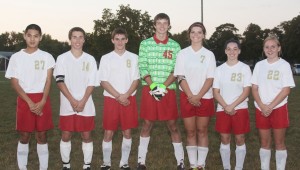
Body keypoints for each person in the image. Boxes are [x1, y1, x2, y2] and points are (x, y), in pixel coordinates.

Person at [137, 13, 185, 170]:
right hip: (149, 89)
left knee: (173, 125)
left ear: (169, 25)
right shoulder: (145, 44)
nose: (162, 26)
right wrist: (153, 86)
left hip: (168, 90)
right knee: (147, 124)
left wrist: (163, 87)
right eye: (159, 23)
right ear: (154, 25)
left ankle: (181, 162)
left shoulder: (175, 46)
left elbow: (176, 70)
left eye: (165, 23)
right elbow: (142, 66)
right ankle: (141, 161)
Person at [5, 24, 55, 170]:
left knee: (42, 136)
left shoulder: (47, 56)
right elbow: (14, 83)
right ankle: (23, 167)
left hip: (42, 99)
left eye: (36, 36)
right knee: (24, 136)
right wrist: (29, 102)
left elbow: (48, 80)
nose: (32, 39)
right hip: (24, 99)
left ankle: (43, 168)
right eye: (29, 35)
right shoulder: (16, 57)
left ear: (40, 37)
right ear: (24, 36)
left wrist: (43, 101)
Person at [54, 27, 98, 170]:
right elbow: (60, 81)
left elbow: (92, 83)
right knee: (66, 135)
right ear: (70, 39)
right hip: (67, 105)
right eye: (74, 37)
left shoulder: (90, 59)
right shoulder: (62, 58)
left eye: (80, 37)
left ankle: (87, 165)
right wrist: (73, 101)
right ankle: (66, 165)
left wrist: (83, 101)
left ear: (84, 40)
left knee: (86, 135)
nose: (77, 40)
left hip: (86, 104)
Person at [174, 22, 216, 170]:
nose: (196, 35)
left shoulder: (209, 54)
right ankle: (192, 164)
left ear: (203, 35)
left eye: (199, 32)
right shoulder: (183, 53)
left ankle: (201, 165)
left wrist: (198, 96)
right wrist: (191, 96)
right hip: (187, 97)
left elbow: (210, 78)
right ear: (189, 34)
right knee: (190, 131)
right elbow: (180, 76)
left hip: (205, 97)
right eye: (193, 32)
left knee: (202, 131)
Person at [98, 28, 140, 170]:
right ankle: (106, 163)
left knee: (127, 132)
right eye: (117, 39)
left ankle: (124, 163)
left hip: (129, 99)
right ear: (112, 40)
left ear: (127, 40)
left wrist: (126, 95)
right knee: (108, 132)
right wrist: (118, 96)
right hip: (111, 99)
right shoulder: (106, 58)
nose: (120, 42)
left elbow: (136, 80)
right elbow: (103, 81)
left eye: (123, 39)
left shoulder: (134, 57)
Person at [251, 35, 295, 170]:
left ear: (279, 48)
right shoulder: (259, 65)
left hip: (278, 108)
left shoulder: (284, 65)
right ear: (263, 49)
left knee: (279, 143)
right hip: (261, 108)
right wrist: (262, 105)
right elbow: (254, 88)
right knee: (264, 142)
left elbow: (286, 89)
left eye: (273, 47)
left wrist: (270, 106)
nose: (270, 50)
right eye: (267, 47)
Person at [213, 39, 251, 170]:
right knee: (224, 138)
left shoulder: (245, 68)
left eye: (235, 49)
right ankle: (227, 167)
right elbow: (216, 92)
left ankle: (238, 167)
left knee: (240, 138)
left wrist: (232, 106)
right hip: (222, 108)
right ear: (225, 51)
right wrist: (226, 106)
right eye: (229, 49)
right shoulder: (219, 70)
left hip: (240, 108)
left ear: (239, 51)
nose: (232, 51)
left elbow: (246, 91)